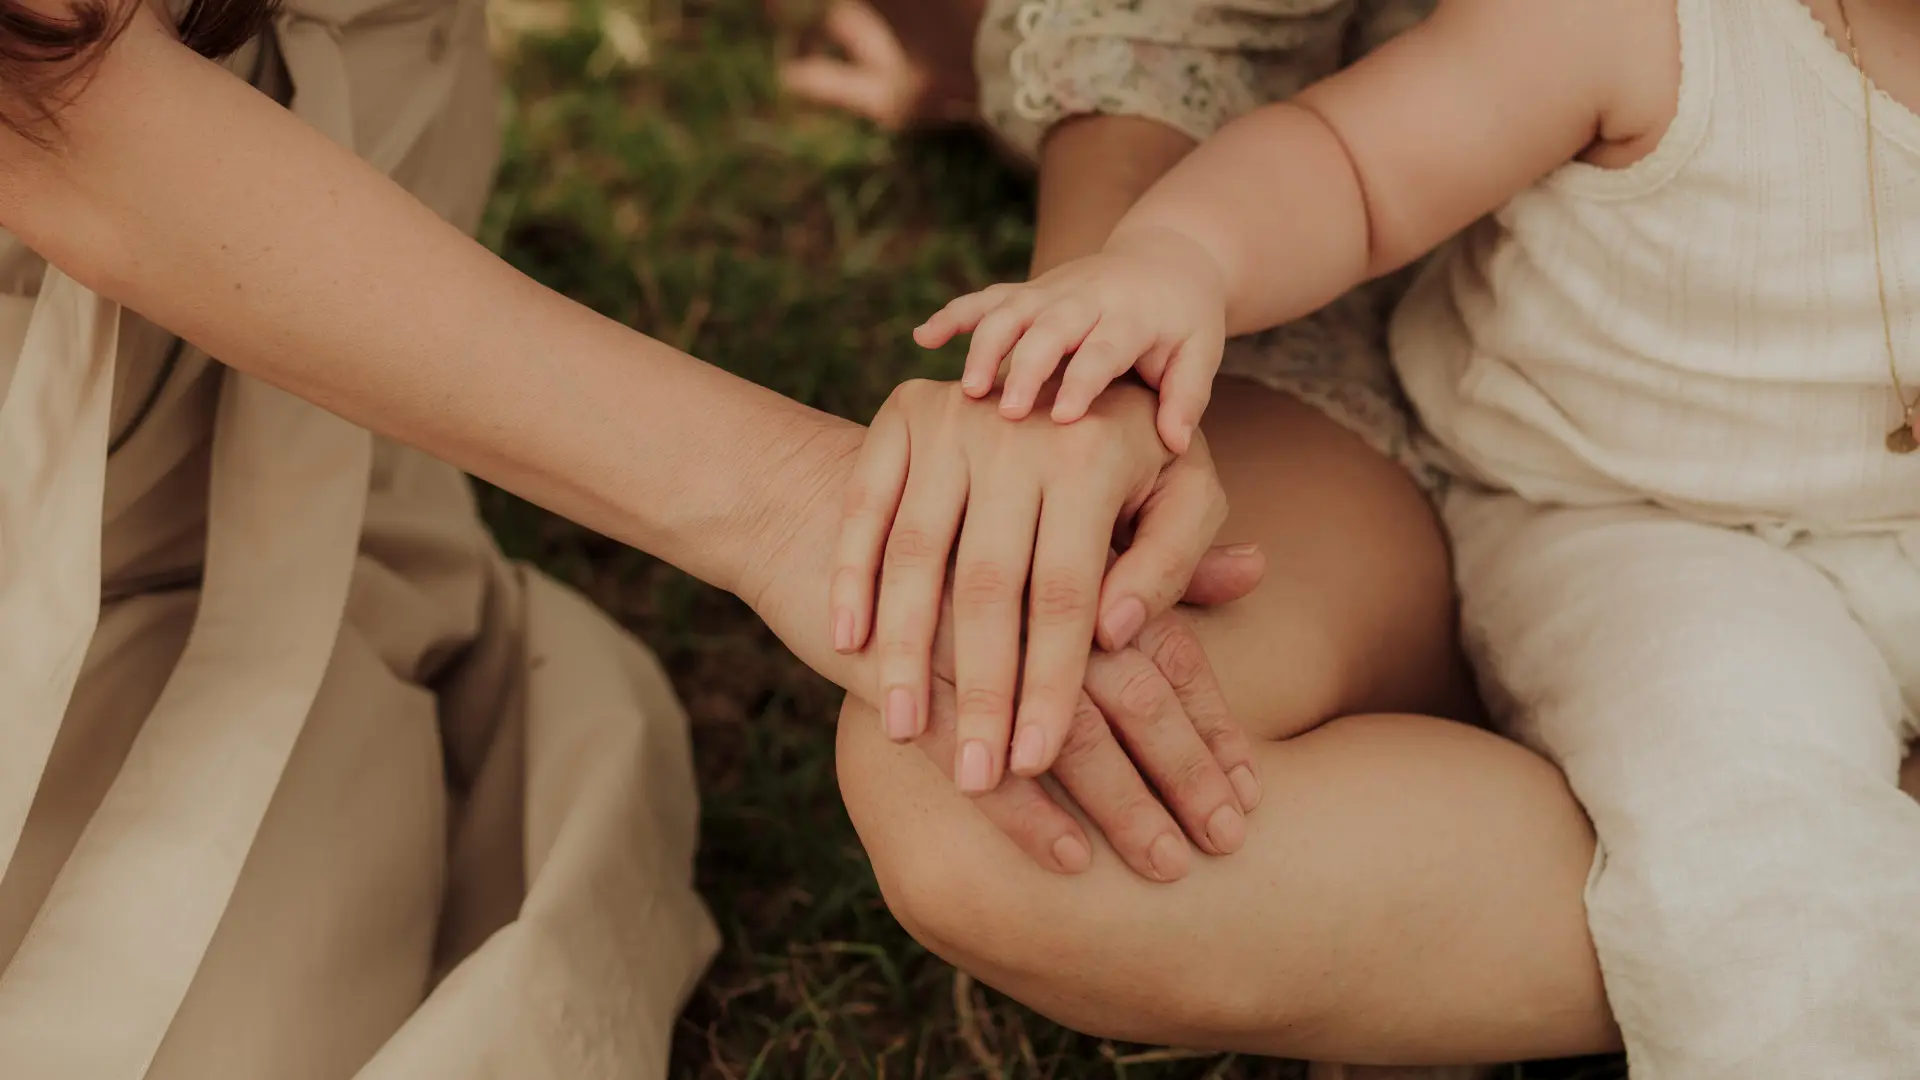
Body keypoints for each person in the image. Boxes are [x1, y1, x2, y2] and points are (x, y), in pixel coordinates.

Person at [0, 0, 1275, 1075]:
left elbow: (1154, 33)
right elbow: (48, 89)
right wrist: (792, 502)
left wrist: (1081, 314)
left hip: (314, 333)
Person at [860, 0, 1920, 1075]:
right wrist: (1185, 256)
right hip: (1646, 527)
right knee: (1757, 821)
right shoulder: (1639, 21)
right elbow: (1350, 169)